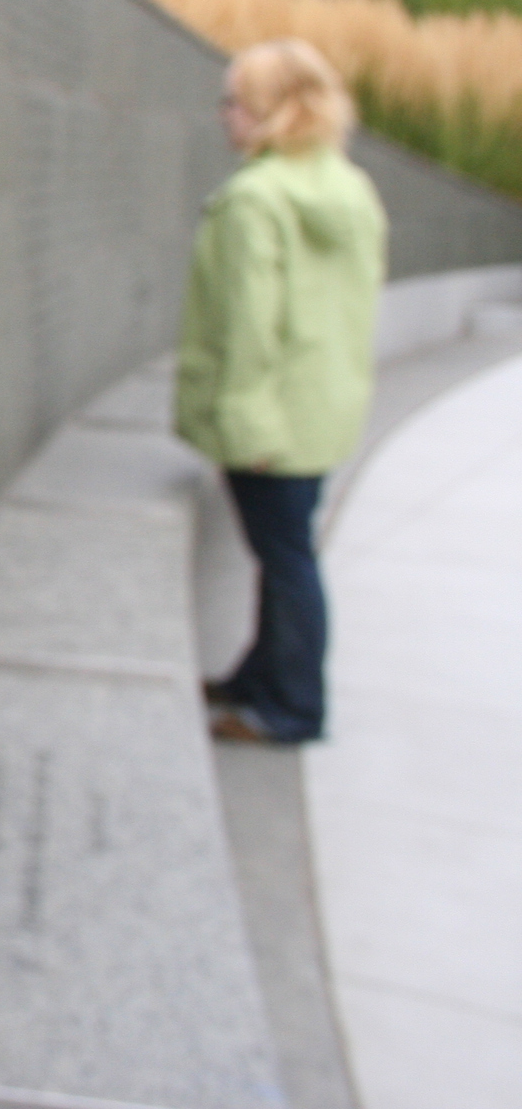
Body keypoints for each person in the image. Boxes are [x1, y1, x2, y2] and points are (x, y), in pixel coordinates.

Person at [175, 39, 386, 745]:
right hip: (321, 409)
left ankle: (293, 707)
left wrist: (243, 426)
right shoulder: (349, 189)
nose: (224, 116)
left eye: (235, 102)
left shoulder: (255, 199)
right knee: (284, 552)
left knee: (288, 559)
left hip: (270, 419)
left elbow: (248, 325)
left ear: (271, 114)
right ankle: (259, 677)